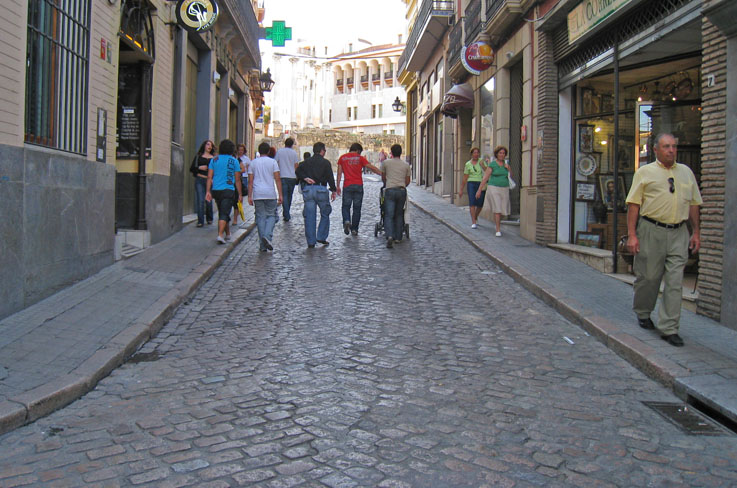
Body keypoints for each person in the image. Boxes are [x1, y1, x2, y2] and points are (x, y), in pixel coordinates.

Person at [625, 133, 702, 347]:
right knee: (648, 277)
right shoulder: (644, 173)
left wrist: (696, 232)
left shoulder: (686, 173)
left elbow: (694, 203)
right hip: (651, 229)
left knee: (675, 282)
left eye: (674, 146)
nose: (671, 150)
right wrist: (632, 235)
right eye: (666, 146)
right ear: (656, 149)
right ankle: (642, 312)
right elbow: (633, 205)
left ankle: (669, 328)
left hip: (679, 232)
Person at [296, 142, 337, 248]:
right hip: (321, 190)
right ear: (322, 151)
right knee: (325, 213)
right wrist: (333, 190)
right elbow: (330, 178)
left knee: (309, 216)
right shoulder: (325, 163)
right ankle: (321, 236)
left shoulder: (306, 162)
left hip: (309, 190)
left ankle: (311, 241)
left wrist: (305, 178)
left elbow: (297, 171)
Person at [336, 143, 381, 236]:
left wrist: (337, 186)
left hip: (347, 185)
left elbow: (339, 173)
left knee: (346, 206)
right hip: (358, 185)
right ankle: (354, 229)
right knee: (357, 208)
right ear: (358, 150)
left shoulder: (342, 158)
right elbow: (371, 167)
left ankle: (347, 220)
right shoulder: (360, 158)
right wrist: (382, 174)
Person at [205, 139, 242, 244]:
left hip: (216, 189)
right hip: (228, 189)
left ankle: (228, 233)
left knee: (222, 210)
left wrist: (208, 191)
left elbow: (209, 176)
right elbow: (238, 179)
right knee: (224, 212)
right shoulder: (234, 161)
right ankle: (220, 235)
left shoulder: (214, 159)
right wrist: (239, 194)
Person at [248, 141, 283, 252]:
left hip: (257, 193)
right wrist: (280, 194)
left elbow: (250, 181)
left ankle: (262, 244)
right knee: (272, 216)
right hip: (270, 193)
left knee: (260, 217)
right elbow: (277, 179)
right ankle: (267, 237)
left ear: (259, 150)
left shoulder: (253, 163)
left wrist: (249, 196)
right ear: (268, 151)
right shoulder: (273, 162)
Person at [476, 146, 511, 237]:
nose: (502, 155)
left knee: (503, 210)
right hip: (494, 187)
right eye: (500, 153)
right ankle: (498, 229)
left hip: (505, 188)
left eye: (503, 153)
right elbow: (485, 177)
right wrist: (479, 190)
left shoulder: (506, 164)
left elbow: (510, 176)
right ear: (496, 154)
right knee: (497, 208)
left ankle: (497, 222)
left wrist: (509, 169)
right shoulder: (492, 164)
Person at [381, 144, 411, 249]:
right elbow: (407, 181)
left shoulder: (386, 163)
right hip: (401, 190)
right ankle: (398, 237)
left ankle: (389, 235)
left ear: (391, 152)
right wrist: (402, 185)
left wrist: (387, 184)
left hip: (390, 189)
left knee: (389, 214)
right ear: (401, 152)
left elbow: (383, 177)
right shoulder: (406, 165)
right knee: (399, 214)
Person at [458, 147, 487, 229]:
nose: (476, 154)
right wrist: (461, 189)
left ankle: (476, 216)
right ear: (471, 154)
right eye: (474, 153)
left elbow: (488, 171)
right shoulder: (468, 164)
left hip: (481, 184)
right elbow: (465, 177)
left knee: (480, 203)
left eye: (477, 152)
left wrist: (483, 165)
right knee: (472, 202)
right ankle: (473, 222)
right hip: (471, 183)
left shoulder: (482, 161)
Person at [189, 140, 215, 227]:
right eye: (208, 144)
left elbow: (216, 170)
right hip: (200, 179)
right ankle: (200, 221)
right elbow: (192, 168)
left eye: (211, 145)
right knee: (200, 200)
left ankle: (209, 218)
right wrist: (200, 167)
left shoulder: (213, 158)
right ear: (204, 146)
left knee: (208, 201)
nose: (209, 146)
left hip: (209, 180)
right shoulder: (198, 157)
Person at [274, 138, 300, 222]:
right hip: (292, 177)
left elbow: (275, 162)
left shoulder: (280, 152)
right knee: (289, 195)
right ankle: (287, 211)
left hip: (282, 176)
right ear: (292, 144)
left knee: (284, 195)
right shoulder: (294, 153)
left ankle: (286, 213)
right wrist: (297, 175)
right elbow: (296, 165)